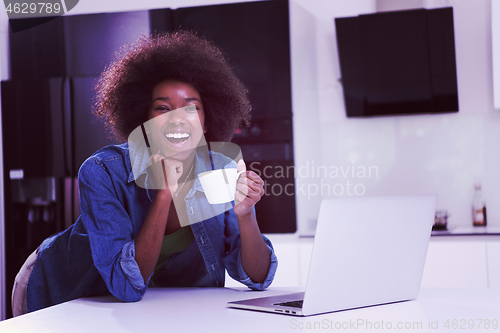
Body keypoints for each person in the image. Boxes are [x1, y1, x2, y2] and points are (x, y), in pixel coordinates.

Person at [11, 31, 278, 316]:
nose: (177, 118)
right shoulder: (102, 171)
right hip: (64, 294)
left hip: (154, 307)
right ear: (143, 119)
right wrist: (165, 194)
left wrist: (245, 214)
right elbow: (126, 286)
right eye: (163, 108)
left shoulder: (220, 170)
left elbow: (258, 279)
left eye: (191, 108)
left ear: (207, 119)